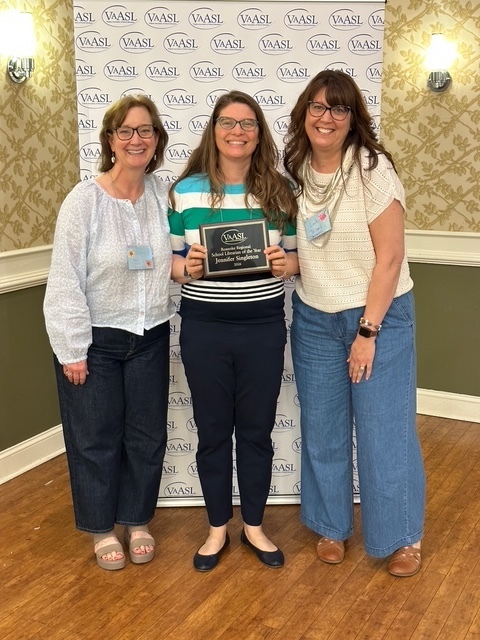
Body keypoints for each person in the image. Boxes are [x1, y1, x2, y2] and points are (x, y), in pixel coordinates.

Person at [283, 70, 426, 577]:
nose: (327, 117)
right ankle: (331, 525)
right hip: (314, 317)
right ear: (305, 112)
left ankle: (401, 536)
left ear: (352, 119)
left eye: (339, 109)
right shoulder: (294, 170)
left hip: (379, 317)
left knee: (385, 431)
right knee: (323, 431)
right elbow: (314, 252)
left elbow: (389, 259)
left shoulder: (372, 168)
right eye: (319, 107)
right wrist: (287, 265)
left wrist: (367, 332)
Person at [44, 95, 175, 570]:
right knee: (95, 439)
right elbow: (64, 278)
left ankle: (137, 522)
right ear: (110, 140)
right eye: (126, 131)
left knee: (145, 437)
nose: (136, 139)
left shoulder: (166, 195)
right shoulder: (85, 201)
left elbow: (180, 254)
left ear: (156, 140)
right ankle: (102, 530)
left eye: (145, 131)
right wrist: (71, 348)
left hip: (151, 335)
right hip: (96, 341)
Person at [169, 90, 298, 571]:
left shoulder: (280, 191)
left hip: (263, 326)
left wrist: (287, 262)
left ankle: (255, 527)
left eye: (248, 123)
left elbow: (296, 256)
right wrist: (187, 268)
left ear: (259, 133)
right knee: (213, 431)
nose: (238, 131)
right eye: (228, 122)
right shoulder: (185, 191)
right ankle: (216, 528)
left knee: (257, 431)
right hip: (204, 327)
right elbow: (170, 260)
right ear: (214, 129)